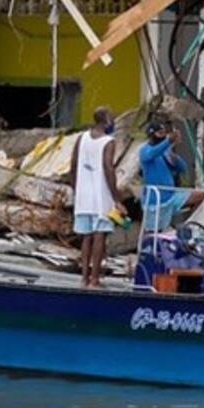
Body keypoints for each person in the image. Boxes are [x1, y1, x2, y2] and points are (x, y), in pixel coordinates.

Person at [70, 106, 128, 288]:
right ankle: (95, 280)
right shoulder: (108, 142)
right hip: (100, 195)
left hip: (83, 195)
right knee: (99, 235)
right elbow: (108, 169)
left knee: (86, 237)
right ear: (107, 121)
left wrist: (76, 188)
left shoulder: (81, 138)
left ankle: (84, 278)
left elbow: (73, 165)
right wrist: (117, 199)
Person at [139, 120, 204, 231]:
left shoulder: (166, 152)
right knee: (154, 232)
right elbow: (151, 154)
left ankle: (188, 226)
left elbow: (182, 167)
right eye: (160, 133)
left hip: (171, 196)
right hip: (156, 200)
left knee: (201, 195)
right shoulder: (145, 150)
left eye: (164, 133)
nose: (163, 136)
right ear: (152, 135)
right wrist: (167, 142)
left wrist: (173, 157)